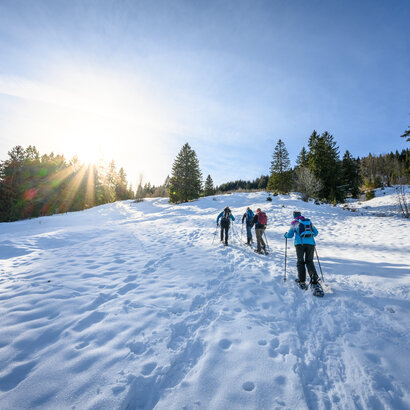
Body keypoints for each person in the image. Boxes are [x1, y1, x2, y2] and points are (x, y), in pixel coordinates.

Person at [284, 211, 320, 287]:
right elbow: (316, 233)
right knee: (309, 261)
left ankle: (302, 280)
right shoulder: (308, 222)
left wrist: (285, 235)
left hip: (299, 244)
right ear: (301, 215)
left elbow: (290, 235)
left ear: (294, 216)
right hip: (311, 243)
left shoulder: (294, 223)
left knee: (300, 261)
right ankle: (314, 277)